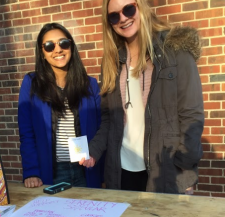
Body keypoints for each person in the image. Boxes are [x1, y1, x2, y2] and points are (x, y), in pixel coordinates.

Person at [80, 0, 204, 194]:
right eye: (114, 16)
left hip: (166, 169)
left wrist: (184, 168)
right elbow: (108, 119)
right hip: (121, 171)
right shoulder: (111, 62)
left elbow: (191, 116)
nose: (123, 18)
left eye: (128, 9)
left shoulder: (176, 52)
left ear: (141, 7)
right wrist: (93, 151)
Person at [18, 23, 102, 188]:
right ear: (42, 53)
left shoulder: (90, 85)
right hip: (52, 171)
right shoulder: (32, 84)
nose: (57, 50)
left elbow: (101, 128)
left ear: (71, 45)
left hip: (86, 168)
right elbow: (26, 133)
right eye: (49, 46)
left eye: (63, 43)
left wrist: (103, 171)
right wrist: (31, 171)